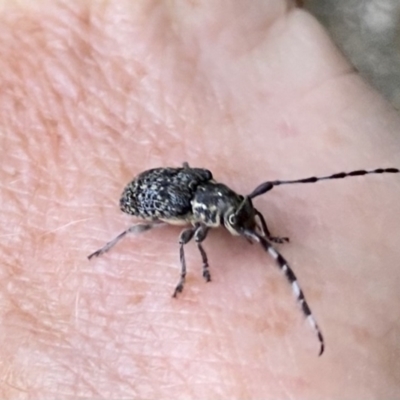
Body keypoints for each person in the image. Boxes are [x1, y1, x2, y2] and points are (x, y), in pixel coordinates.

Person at [1, 1, 399, 398]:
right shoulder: (186, 214)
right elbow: (186, 237)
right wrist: (195, 267)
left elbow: (249, 209)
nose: (242, 220)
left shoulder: (228, 196)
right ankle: (116, 249)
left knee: (251, 205)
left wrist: (267, 235)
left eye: (238, 212)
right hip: (144, 195)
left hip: (174, 184)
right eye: (233, 219)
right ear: (208, 215)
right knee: (149, 235)